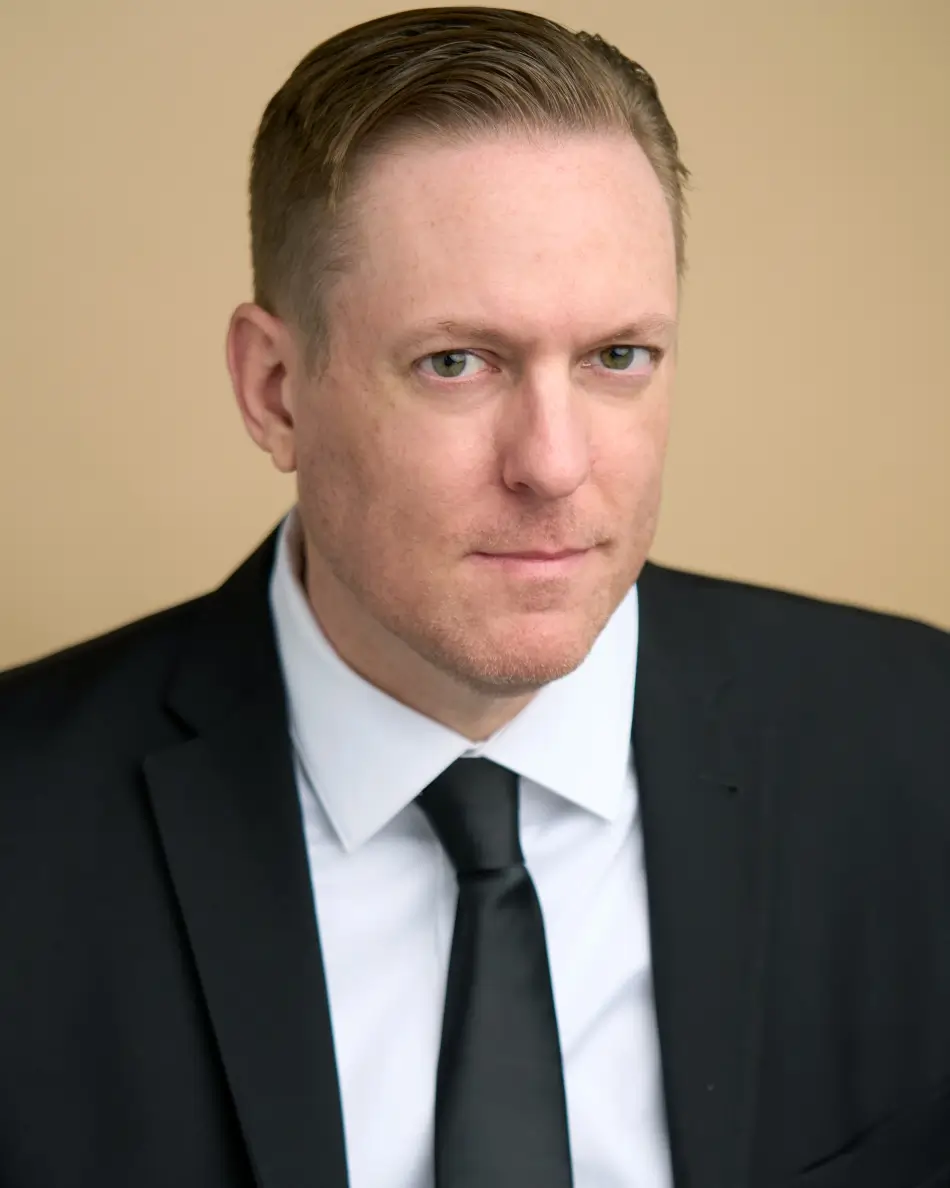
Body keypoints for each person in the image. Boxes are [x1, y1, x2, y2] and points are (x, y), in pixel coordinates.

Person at [1, 6, 948, 1187]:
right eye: (457, 362)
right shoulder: (21, 826)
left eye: (615, 358)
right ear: (276, 390)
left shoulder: (921, 748)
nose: (551, 464)